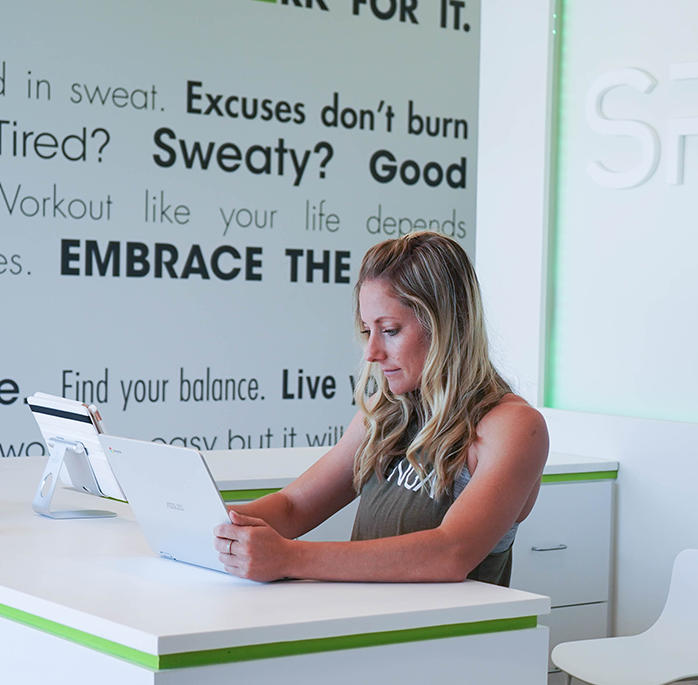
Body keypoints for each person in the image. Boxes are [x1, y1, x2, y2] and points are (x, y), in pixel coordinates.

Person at [214, 231, 549, 585]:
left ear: (447, 326)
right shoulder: (386, 411)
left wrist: (287, 557)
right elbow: (293, 507)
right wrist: (212, 526)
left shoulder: (513, 427)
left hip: (448, 638)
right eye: (366, 330)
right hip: (369, 629)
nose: (371, 352)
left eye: (389, 330)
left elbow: (450, 553)